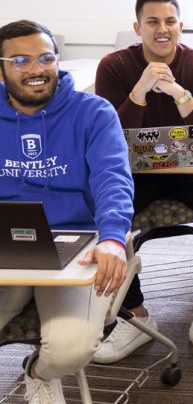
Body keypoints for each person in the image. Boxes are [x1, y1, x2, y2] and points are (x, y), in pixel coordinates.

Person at [94, 0, 193, 363]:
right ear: (137, 26)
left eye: (170, 21)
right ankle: (135, 315)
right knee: (103, 210)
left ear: (180, 25)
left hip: (190, 167)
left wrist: (179, 93)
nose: (163, 29)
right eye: (153, 22)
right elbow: (108, 136)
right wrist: (140, 91)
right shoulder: (114, 67)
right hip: (135, 171)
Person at [0, 20, 134, 404]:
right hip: (6, 242)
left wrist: (111, 239)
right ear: (2, 68)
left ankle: (38, 372)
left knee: (71, 349)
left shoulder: (93, 112)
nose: (36, 69)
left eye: (45, 58)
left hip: (77, 242)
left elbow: (113, 180)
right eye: (20, 60)